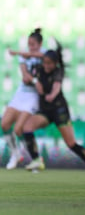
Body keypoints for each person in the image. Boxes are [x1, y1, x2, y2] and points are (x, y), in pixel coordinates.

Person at [22, 40, 85, 174]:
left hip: (59, 110)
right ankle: (37, 160)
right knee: (27, 127)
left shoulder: (58, 72)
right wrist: (33, 80)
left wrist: (51, 95)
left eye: (49, 63)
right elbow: (28, 64)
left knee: (71, 143)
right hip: (45, 110)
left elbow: (56, 87)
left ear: (55, 63)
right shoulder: (39, 69)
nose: (46, 66)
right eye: (45, 62)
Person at [2, 28, 45, 169]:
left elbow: (43, 61)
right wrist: (35, 81)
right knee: (5, 124)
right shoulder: (24, 56)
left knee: (19, 129)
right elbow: (25, 76)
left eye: (33, 45)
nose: (31, 47)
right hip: (21, 93)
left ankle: (36, 158)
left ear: (40, 44)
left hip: (33, 97)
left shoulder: (45, 55)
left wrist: (35, 81)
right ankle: (16, 154)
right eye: (29, 44)